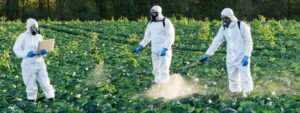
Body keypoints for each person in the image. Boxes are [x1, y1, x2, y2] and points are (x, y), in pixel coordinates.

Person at [200, 8, 254, 97]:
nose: (224, 20)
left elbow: (249, 41)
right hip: (230, 58)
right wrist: (208, 53)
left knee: (245, 77)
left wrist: (247, 55)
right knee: (233, 78)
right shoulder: (223, 28)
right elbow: (217, 41)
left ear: (230, 17)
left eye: (226, 18)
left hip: (242, 57)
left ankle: (248, 95)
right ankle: (235, 94)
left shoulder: (241, 25)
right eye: (222, 18)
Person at [13, 18, 55, 102]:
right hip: (28, 63)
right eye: (32, 26)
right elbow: (16, 49)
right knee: (30, 83)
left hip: (40, 62)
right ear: (28, 27)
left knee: (45, 81)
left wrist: (44, 52)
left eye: (35, 26)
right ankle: (32, 100)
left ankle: (50, 97)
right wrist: (27, 53)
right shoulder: (23, 36)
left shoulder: (39, 36)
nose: (34, 28)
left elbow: (43, 47)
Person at [133, 5, 175, 84]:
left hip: (164, 50)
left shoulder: (165, 22)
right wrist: (141, 46)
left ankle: (165, 86)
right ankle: (157, 84)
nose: (152, 15)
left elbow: (171, 36)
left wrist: (166, 48)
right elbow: (147, 37)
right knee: (156, 69)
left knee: (164, 69)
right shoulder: (150, 24)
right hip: (154, 50)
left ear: (158, 13)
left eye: (154, 13)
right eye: (151, 13)